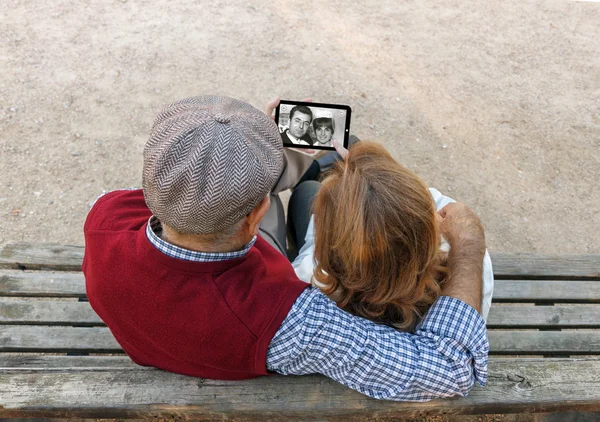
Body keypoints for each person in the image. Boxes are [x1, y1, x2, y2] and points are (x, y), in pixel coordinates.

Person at [83, 95, 489, 402]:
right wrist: (467, 246)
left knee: (311, 185)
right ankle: (313, 168)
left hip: (168, 333)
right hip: (234, 333)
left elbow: (195, 192)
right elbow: (448, 368)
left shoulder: (105, 217)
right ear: (256, 214)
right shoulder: (287, 319)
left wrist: (247, 152)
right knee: (314, 186)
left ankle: (302, 167)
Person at [291, 141, 494, 330]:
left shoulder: (309, 286)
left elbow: (311, 255)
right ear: (430, 232)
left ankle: (312, 171)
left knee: (306, 191)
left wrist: (334, 211)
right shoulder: (470, 274)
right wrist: (380, 186)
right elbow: (422, 206)